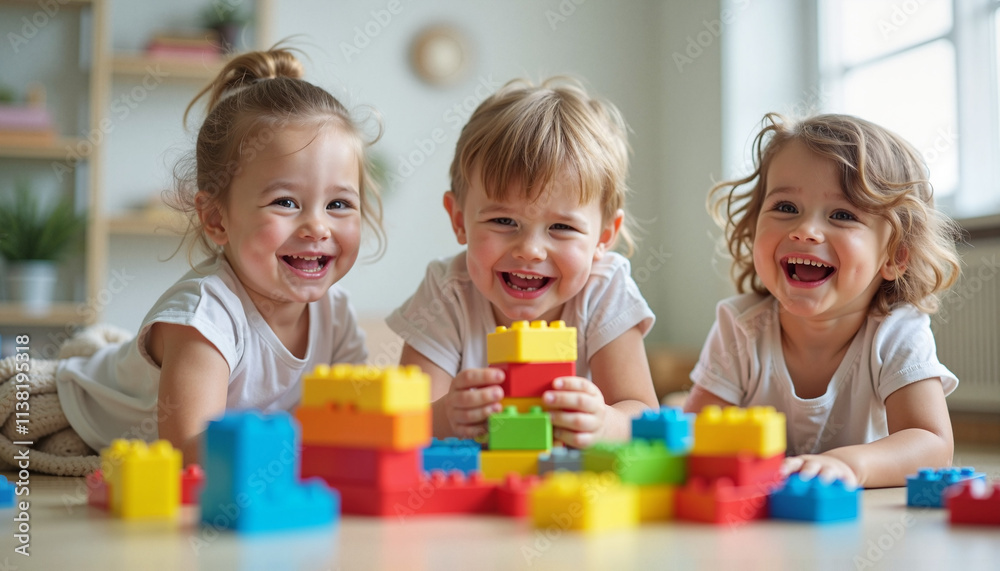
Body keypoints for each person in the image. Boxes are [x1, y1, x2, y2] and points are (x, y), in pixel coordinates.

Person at [56, 47, 385, 464]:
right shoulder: (206, 317)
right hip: (68, 416)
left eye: (338, 204)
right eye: (285, 202)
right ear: (216, 219)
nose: (317, 227)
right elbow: (188, 453)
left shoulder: (335, 316)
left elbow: (355, 421)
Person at [684, 113, 962, 488]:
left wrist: (851, 465)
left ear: (894, 256)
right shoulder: (740, 325)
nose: (805, 231)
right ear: (753, 227)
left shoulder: (896, 332)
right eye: (786, 208)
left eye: (842, 215)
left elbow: (932, 444)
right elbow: (696, 433)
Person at [387, 77, 659, 448]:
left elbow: (643, 414)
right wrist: (447, 417)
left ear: (605, 237)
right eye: (503, 222)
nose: (530, 250)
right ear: (458, 219)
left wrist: (606, 423)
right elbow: (404, 419)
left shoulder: (604, 290)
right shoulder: (448, 291)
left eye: (561, 227)